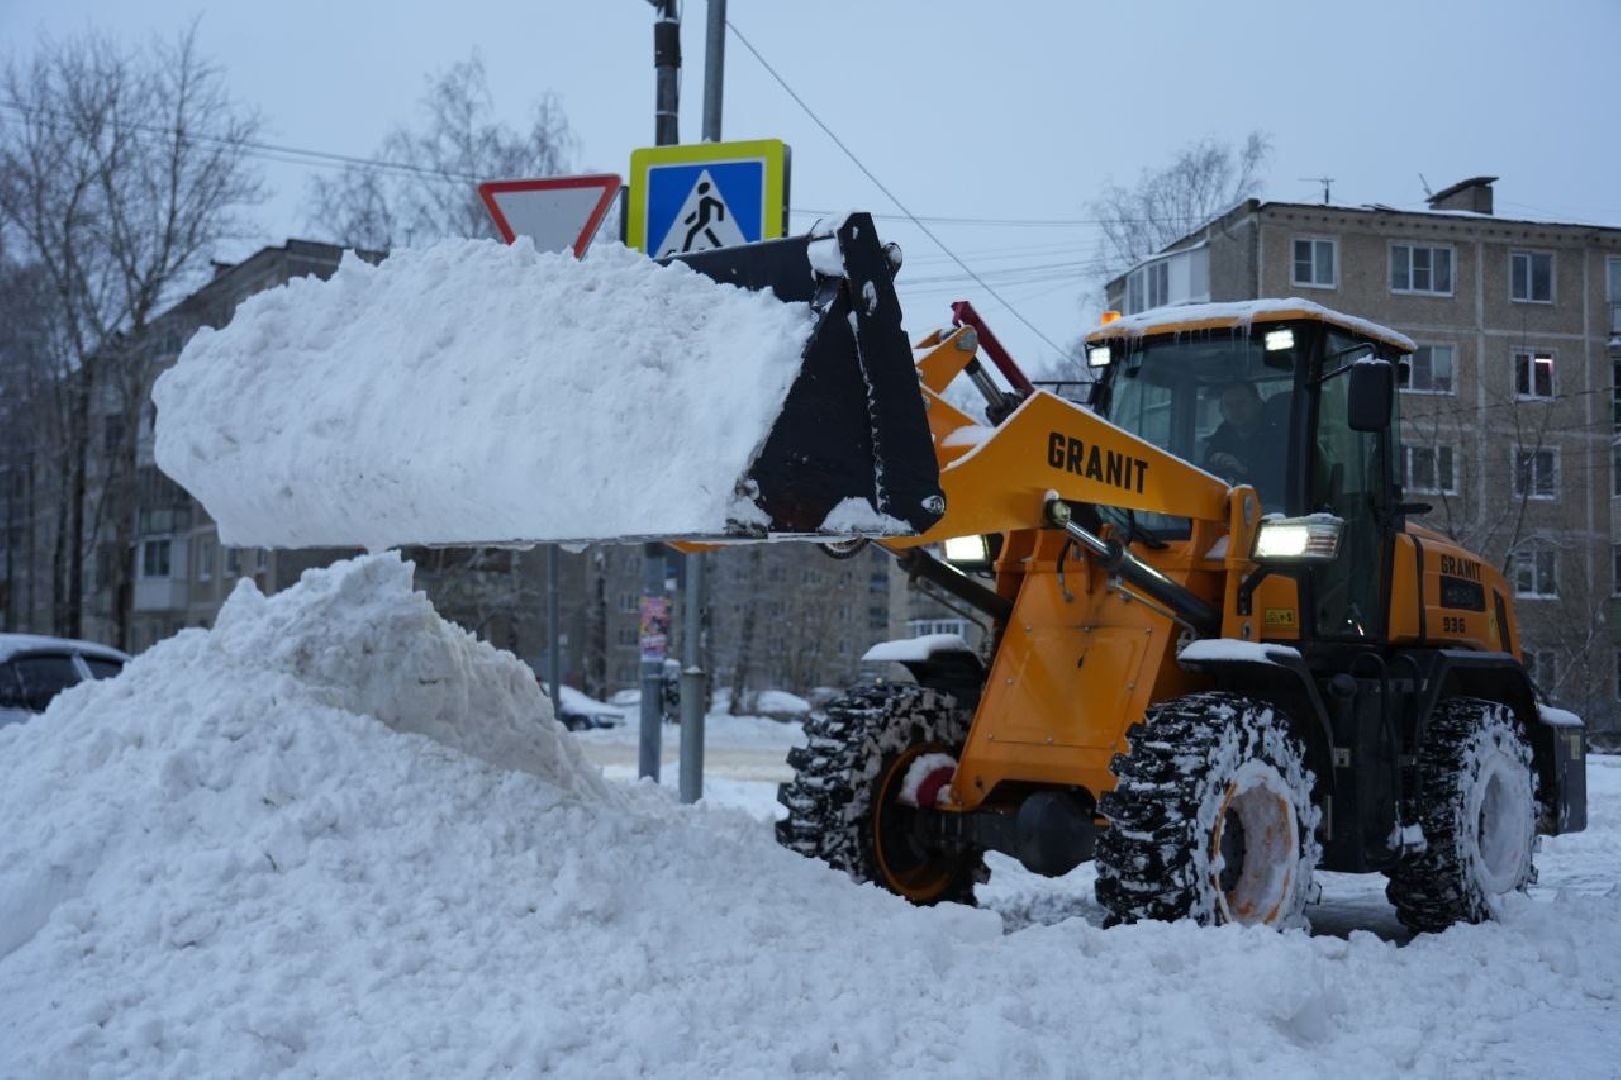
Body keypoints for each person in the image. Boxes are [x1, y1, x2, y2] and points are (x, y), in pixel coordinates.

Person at [1203, 381, 1286, 504]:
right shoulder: (1216, 443)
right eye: (1229, 405)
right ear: (1222, 411)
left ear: (1257, 404)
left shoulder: (1278, 440)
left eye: (1242, 403)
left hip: (1271, 515)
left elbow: (1280, 484)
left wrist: (1242, 469)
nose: (1236, 410)